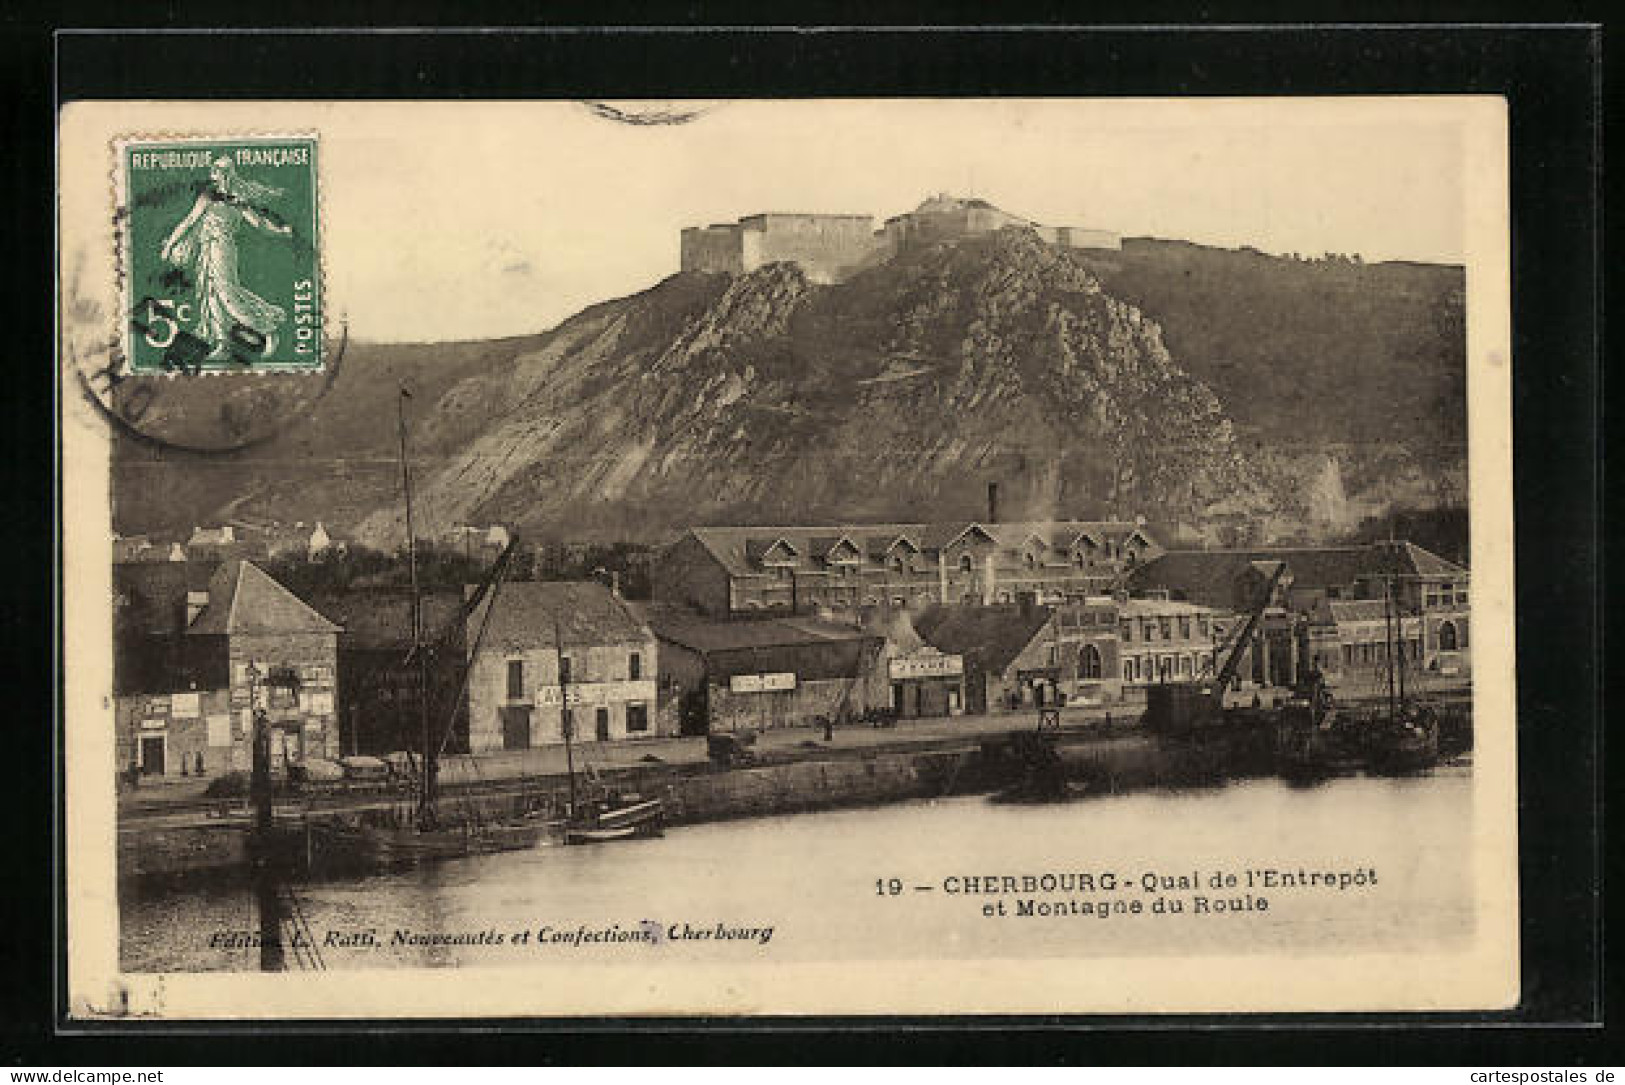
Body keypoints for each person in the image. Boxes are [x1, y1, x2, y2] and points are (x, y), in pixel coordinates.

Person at [158, 155, 294, 361]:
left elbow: (258, 223)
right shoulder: (209, 195)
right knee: (210, 293)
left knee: (227, 294)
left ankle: (266, 330)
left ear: (226, 174)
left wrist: (281, 232)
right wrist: (170, 245)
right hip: (207, 248)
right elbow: (190, 221)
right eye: (214, 171)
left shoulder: (237, 199)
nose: (214, 175)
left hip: (223, 248)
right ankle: (223, 343)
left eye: (218, 172)